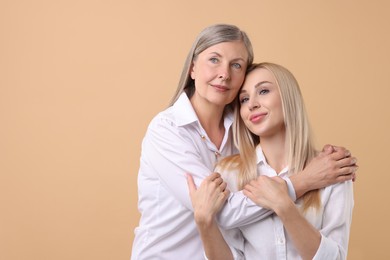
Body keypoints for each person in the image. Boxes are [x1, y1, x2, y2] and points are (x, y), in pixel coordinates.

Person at [132, 24, 357, 260]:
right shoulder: (167, 130)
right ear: (193, 68)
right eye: (214, 60)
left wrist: (336, 164)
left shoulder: (245, 129)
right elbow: (223, 213)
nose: (225, 73)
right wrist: (307, 179)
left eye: (236, 65)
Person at [188, 62, 356, 259]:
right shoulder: (228, 173)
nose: (252, 104)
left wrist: (284, 206)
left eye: (264, 91)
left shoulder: (333, 169)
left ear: (288, 97)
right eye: (244, 99)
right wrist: (204, 224)